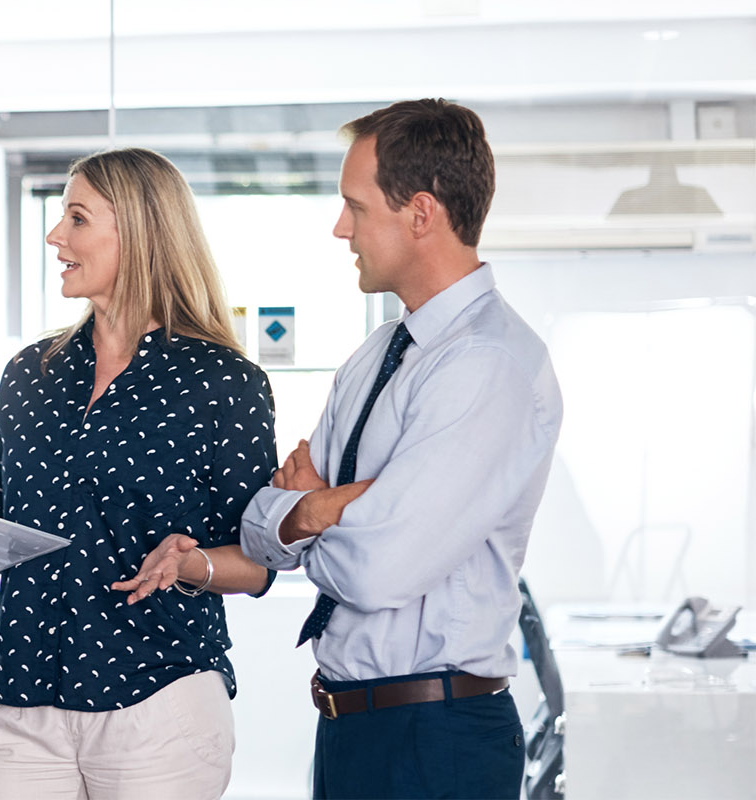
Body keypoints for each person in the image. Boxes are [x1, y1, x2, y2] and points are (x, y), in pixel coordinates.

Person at [0, 147, 279, 799]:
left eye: (76, 219)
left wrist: (191, 565)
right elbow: (0, 525)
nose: (56, 236)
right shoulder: (30, 374)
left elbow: (259, 563)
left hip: (157, 705)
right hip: (24, 701)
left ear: (138, 231)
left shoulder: (223, 382)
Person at [239, 99, 563, 800]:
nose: (339, 228)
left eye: (354, 207)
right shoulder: (378, 354)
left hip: (436, 738)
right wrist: (317, 509)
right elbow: (260, 527)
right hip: (352, 728)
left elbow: (377, 570)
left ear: (420, 213)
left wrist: (308, 514)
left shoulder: (487, 364)